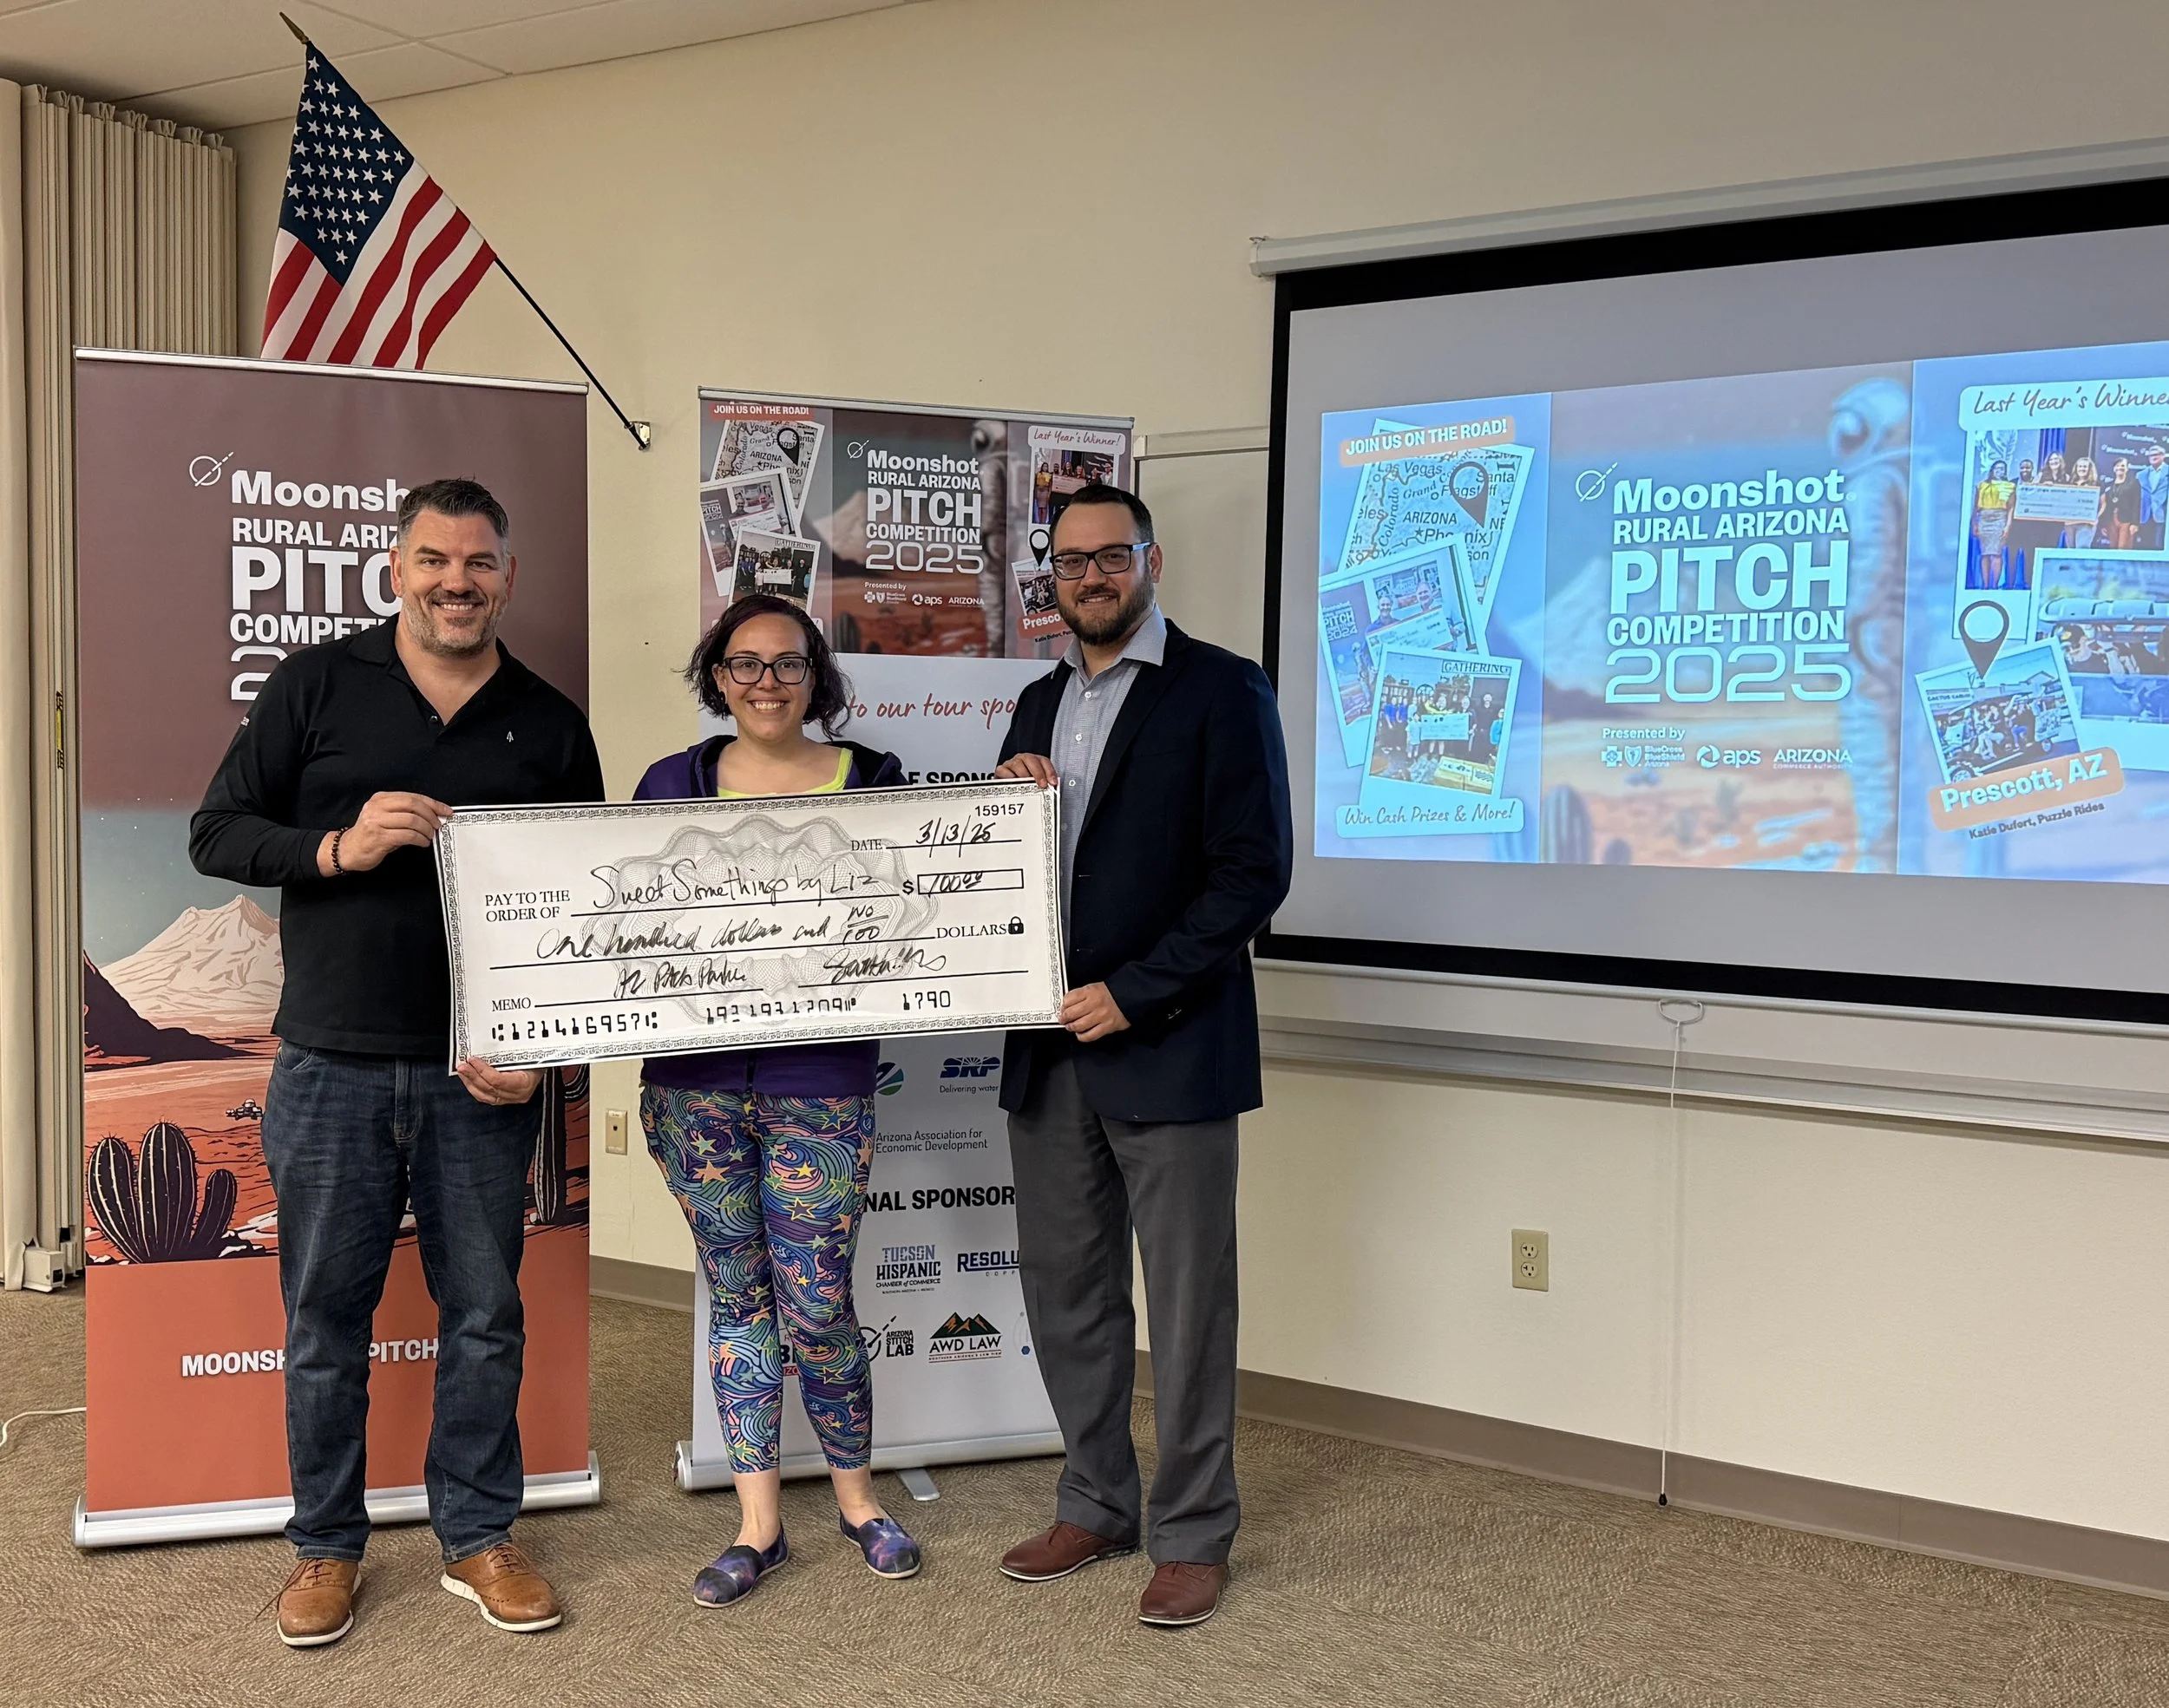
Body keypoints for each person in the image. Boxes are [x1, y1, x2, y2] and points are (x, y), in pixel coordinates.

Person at [189, 478, 603, 1649]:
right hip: (331, 1066)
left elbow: (588, 908)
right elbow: (216, 830)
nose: (454, 583)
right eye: (433, 560)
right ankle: (325, 1545)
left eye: (476, 563)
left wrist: (542, 1052)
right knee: (326, 1317)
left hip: (483, 1078)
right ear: (395, 569)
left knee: (485, 1315)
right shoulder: (317, 683)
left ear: (507, 578)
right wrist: (340, 844)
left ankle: (478, 1535)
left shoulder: (548, 720)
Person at [990, 482, 1292, 1629]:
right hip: (1047, 1050)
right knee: (1066, 1294)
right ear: (1053, 579)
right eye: (1070, 562)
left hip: (1170, 1045)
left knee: (1189, 1304)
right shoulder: (1035, 702)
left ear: (1151, 562)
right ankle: (1096, 1501)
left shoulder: (1222, 688)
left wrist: (1135, 992)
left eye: (1112, 556)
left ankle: (1195, 1531)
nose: (1091, 577)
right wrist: (1000, 809)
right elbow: (1011, 874)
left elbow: (1252, 873)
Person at [631, 592, 922, 1607]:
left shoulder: (874, 779)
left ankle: (859, 1502)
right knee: (737, 1298)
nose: (767, 682)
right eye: (745, 664)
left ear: (816, 677)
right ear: (718, 677)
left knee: (819, 1302)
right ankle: (759, 1525)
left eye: (788, 663)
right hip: (693, 1089)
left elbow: (920, 911)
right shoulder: (668, 784)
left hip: (819, 1085)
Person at [1969, 459, 2015, 588]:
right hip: (1984, 518)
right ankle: (1985, 585)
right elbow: (1975, 507)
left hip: (2000, 518)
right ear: (1992, 470)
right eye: (1997, 468)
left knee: (1996, 554)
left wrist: (2008, 526)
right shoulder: (1982, 486)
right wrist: (1974, 523)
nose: (2000, 471)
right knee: (1984, 554)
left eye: (2003, 469)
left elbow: (2011, 507)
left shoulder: (2010, 486)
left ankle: (1994, 586)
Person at [2140, 444, 2169, 551]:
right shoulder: (2141, 475)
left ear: (2163, 456)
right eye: (2151, 455)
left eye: (2156, 454)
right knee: (2145, 546)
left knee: (2159, 546)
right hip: (2145, 515)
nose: (2153, 457)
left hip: (2163, 515)